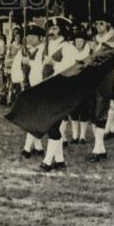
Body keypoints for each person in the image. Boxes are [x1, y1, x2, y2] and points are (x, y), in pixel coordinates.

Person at [38, 21, 78, 171]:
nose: (51, 31)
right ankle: (59, 160)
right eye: (49, 28)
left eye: (55, 28)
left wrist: (53, 62)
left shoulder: (68, 48)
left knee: (53, 124)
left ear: (62, 30)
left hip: (61, 88)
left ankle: (48, 161)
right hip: (47, 88)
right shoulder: (46, 47)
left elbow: (71, 68)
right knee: (54, 124)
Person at [86, 17, 114, 162]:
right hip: (92, 78)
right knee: (92, 112)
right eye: (97, 23)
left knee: (101, 110)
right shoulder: (93, 41)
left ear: (108, 25)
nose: (99, 26)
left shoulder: (113, 41)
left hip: (105, 77)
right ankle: (101, 149)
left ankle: (97, 148)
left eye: (102, 23)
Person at [18, 25, 47, 157]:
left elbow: (40, 68)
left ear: (40, 38)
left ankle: (27, 149)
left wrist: (28, 62)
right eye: (28, 36)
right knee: (32, 116)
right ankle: (38, 147)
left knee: (33, 117)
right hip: (31, 84)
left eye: (33, 36)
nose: (29, 38)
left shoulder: (43, 50)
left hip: (40, 85)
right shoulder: (29, 49)